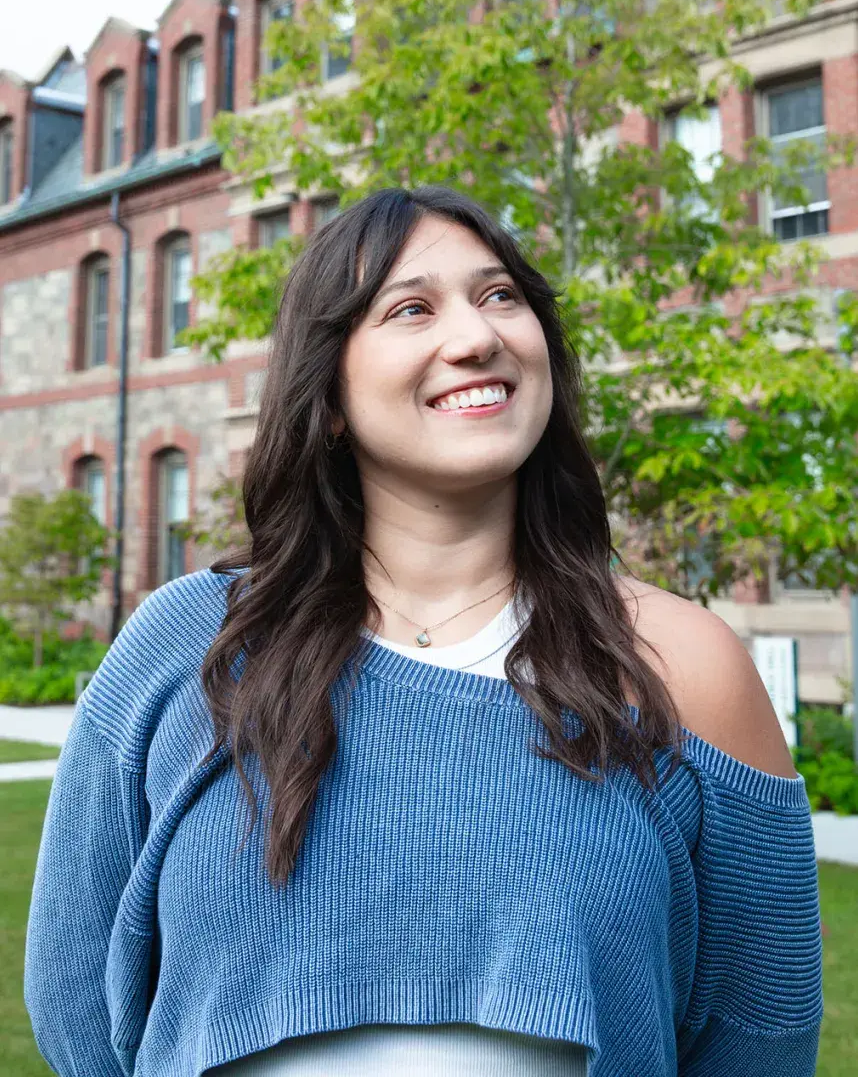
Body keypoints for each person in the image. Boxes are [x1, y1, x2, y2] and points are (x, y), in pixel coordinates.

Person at [25, 186, 821, 1077]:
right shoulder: (186, 648)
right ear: (326, 396)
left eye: (501, 297)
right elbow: (74, 1003)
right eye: (411, 309)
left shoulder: (684, 668)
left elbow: (762, 1035)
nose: (476, 337)